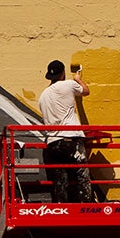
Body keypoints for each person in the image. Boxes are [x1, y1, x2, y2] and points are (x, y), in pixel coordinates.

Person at [38, 59, 93, 203]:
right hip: (70, 138)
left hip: (52, 143)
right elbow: (86, 91)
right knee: (82, 174)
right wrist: (78, 79)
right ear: (62, 73)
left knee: (59, 180)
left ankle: (62, 208)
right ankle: (86, 207)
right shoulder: (68, 85)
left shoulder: (43, 96)